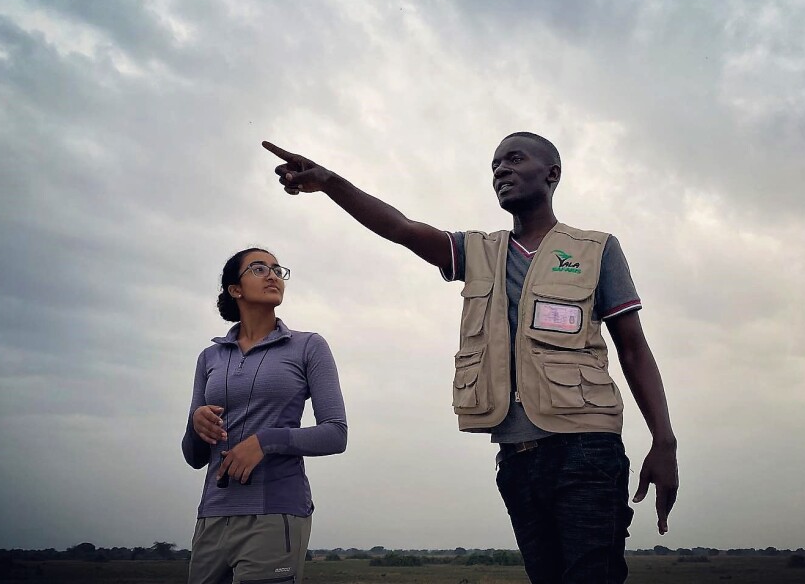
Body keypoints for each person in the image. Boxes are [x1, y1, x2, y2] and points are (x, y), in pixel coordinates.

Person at [262, 133, 678, 584]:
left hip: (587, 451)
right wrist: (328, 182)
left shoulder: (596, 249)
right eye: (495, 165)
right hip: (516, 458)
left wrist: (664, 441)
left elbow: (633, 347)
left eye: (515, 159)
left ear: (552, 173)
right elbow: (401, 229)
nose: (501, 170)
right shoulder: (478, 250)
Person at [182, 247, 347, 584]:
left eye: (277, 269)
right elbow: (194, 456)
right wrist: (196, 424)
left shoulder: (308, 346)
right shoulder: (209, 357)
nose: (273, 275)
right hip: (212, 514)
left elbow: (336, 433)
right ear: (235, 289)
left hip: (275, 512)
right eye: (259, 268)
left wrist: (265, 441)